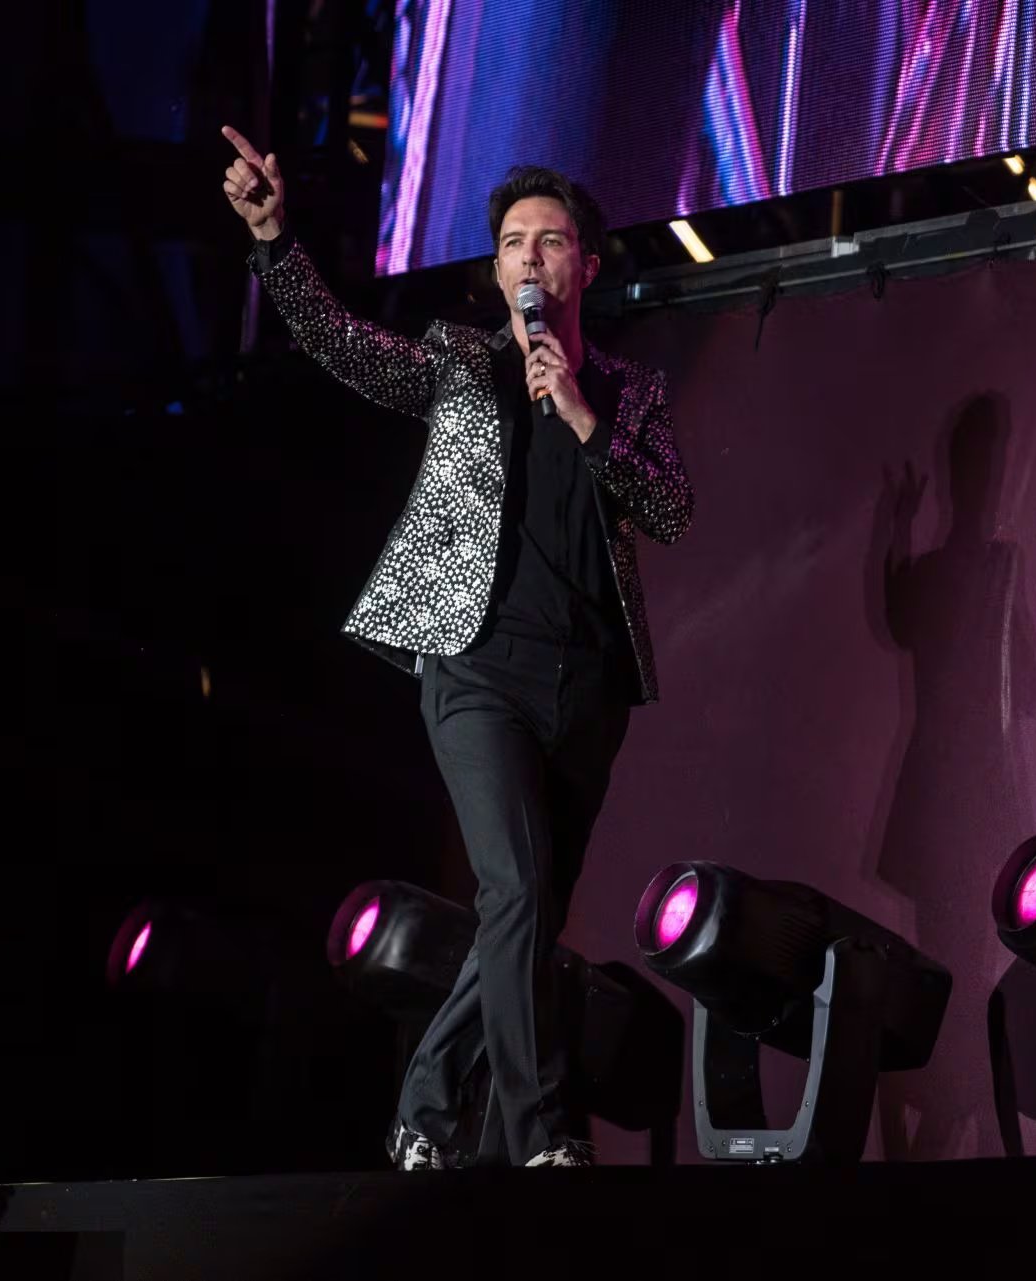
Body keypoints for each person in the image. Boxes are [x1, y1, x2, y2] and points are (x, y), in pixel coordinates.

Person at [219, 126, 694, 1169]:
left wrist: (576, 412)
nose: (531, 255)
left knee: (522, 920)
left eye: (552, 239)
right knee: (516, 895)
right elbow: (343, 345)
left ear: (587, 264)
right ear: (496, 268)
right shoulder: (458, 363)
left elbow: (668, 511)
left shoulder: (626, 395)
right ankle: (540, 1138)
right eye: (514, 241)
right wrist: (275, 242)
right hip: (477, 667)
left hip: (587, 692)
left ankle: (425, 1107)